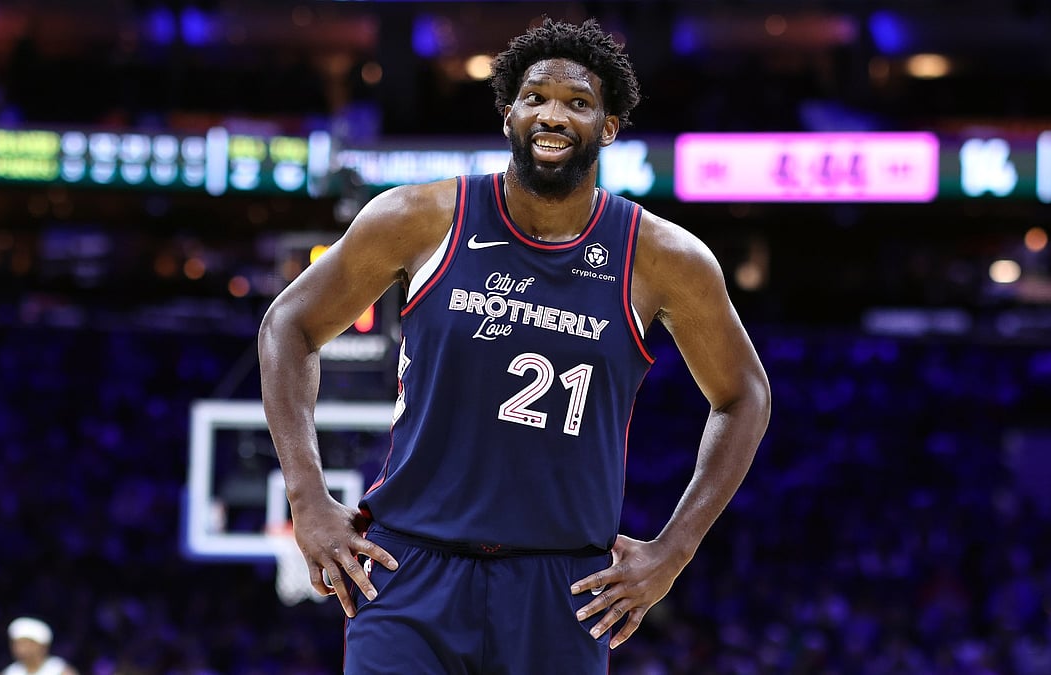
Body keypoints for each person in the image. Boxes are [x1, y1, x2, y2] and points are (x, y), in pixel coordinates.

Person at [258, 17, 771, 674]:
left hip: (562, 588)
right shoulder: (419, 218)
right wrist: (307, 499)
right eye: (535, 98)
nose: (553, 115)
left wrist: (675, 549)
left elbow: (744, 393)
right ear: (508, 115)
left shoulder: (663, 258)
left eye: (578, 103)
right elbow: (287, 325)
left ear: (608, 126)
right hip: (410, 566)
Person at [0, 618, 77, 675]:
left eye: (25, 643)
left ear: (42, 646)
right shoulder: (10, 672)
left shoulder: (59, 670)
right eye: (16, 643)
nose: (19, 647)